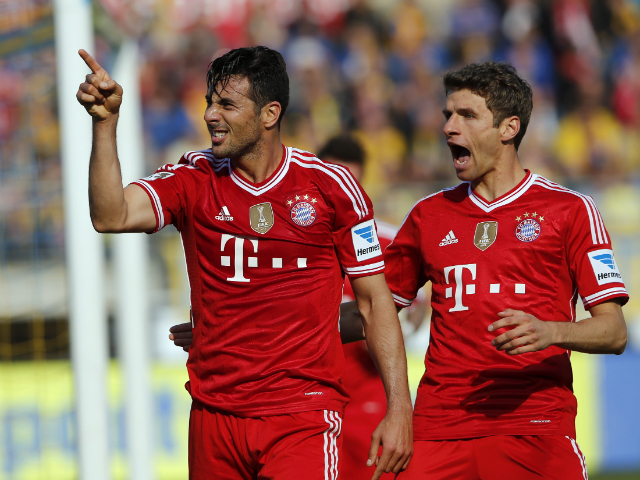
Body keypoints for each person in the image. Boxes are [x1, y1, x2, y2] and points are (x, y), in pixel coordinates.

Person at [76, 46, 413, 480]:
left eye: (227, 104)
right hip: (215, 415)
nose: (210, 115)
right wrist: (105, 124)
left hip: (302, 415)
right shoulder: (194, 177)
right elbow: (111, 215)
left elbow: (374, 303)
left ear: (270, 114)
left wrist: (400, 408)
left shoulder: (330, 187)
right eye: (209, 103)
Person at [339, 61, 628, 479]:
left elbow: (614, 331)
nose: (448, 128)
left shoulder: (570, 210)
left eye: (467, 115)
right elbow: (371, 310)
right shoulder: (428, 215)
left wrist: (551, 332)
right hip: (440, 428)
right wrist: (275, 327)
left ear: (509, 128)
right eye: (448, 115)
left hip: (534, 424)